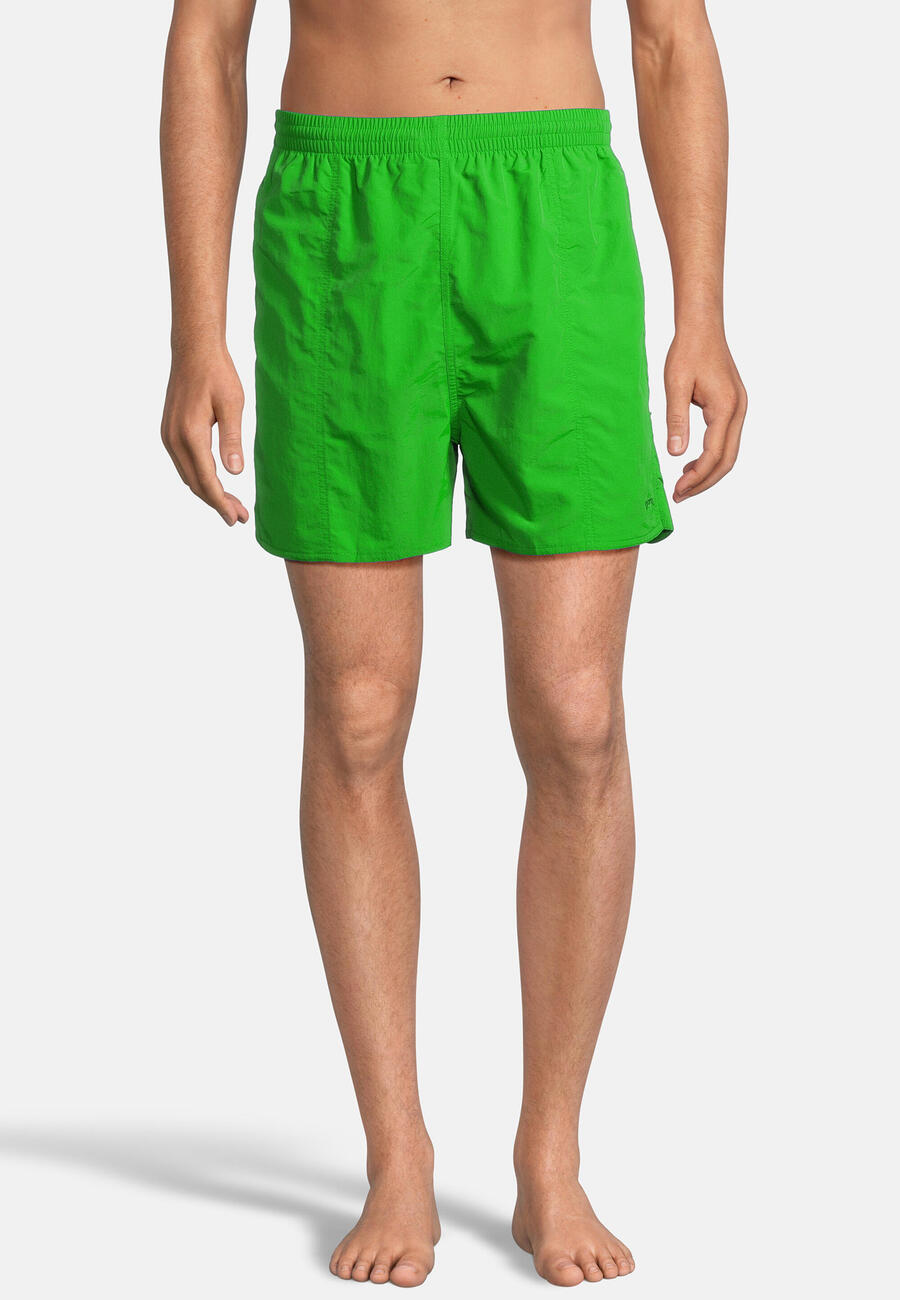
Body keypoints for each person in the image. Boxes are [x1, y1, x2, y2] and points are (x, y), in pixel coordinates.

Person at [160, 0, 747, 1286]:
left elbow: (669, 37)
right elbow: (206, 39)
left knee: (578, 716)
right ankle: (397, 1152)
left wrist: (701, 308)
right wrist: (194, 327)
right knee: (359, 711)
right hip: (342, 206)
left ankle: (552, 1150)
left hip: (553, 204)